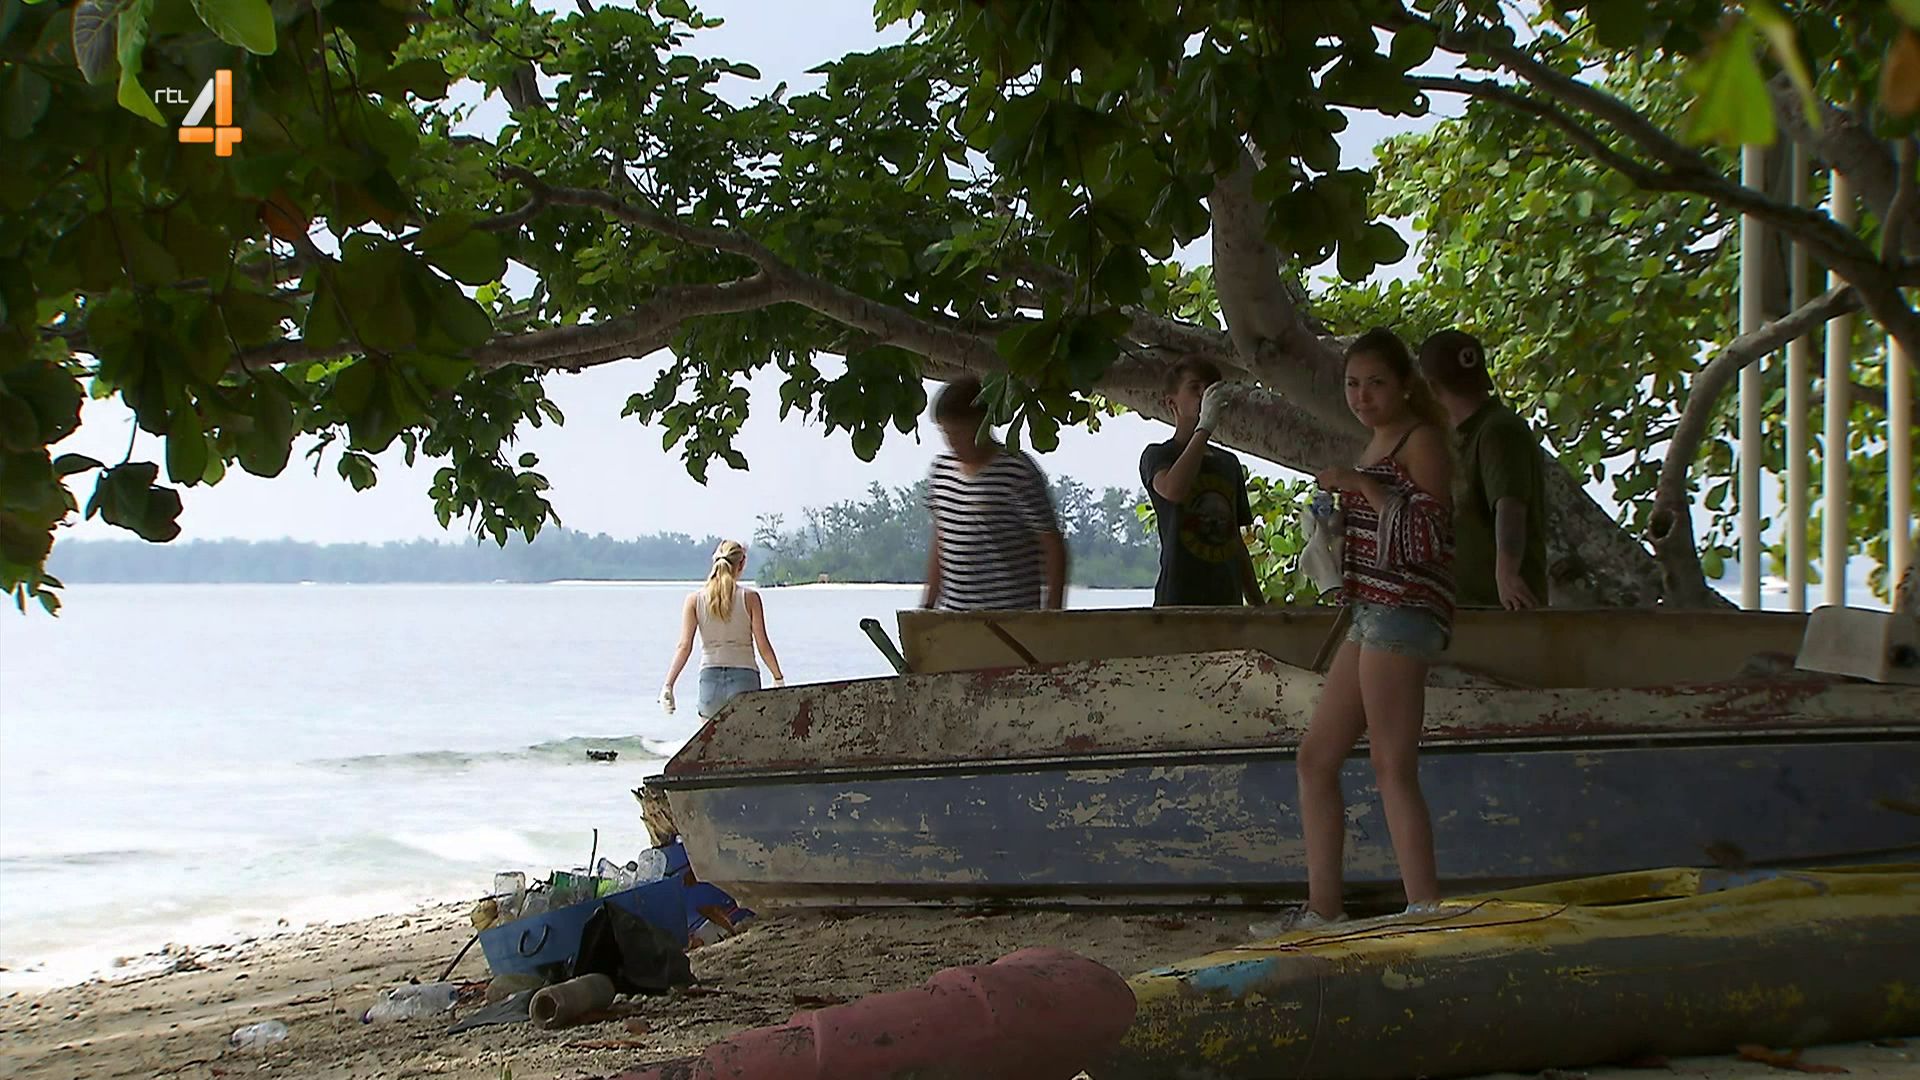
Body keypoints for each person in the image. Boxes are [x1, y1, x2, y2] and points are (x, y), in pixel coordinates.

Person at [1294, 328, 1455, 927]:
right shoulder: (1376, 442)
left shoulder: (1422, 440)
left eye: (1376, 383)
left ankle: (1424, 908)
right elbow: (1380, 528)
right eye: (1353, 384)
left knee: (1392, 766)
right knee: (1316, 758)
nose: (1362, 396)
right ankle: (1323, 910)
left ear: (1405, 386)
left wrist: (1362, 485)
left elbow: (1428, 537)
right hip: (1369, 609)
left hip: (1404, 611)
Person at [1417, 329, 1549, 610]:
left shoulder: (1497, 430)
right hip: (1466, 608)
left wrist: (1507, 574)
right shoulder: (1458, 437)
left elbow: (1510, 505)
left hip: (1502, 608)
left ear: (1431, 388)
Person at [921, 377, 1069, 611]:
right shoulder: (941, 472)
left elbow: (1052, 544)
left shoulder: (1016, 471)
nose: (952, 442)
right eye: (946, 432)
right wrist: (927, 606)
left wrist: (1052, 613)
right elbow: (941, 541)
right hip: (953, 615)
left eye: (958, 433)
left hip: (1011, 615)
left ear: (981, 424)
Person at [1139, 359, 1266, 607]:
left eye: (1209, 388)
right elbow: (1173, 490)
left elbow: (1235, 542)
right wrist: (1204, 427)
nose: (1203, 395)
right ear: (1171, 402)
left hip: (1227, 601)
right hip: (1178, 600)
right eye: (1194, 387)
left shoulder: (1228, 463)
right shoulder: (1158, 455)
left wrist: (1259, 606)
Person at [659, 540, 786, 719]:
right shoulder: (750, 598)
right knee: (747, 735)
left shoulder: (694, 600)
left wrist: (668, 685)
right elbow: (763, 645)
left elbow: (684, 647)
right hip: (744, 682)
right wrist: (778, 678)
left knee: (710, 735)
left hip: (710, 682)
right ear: (742, 563)